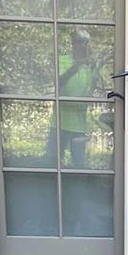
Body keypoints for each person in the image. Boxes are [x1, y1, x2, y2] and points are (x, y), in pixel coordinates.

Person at [53, 28, 101, 168]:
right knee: (52, 163)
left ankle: (79, 188)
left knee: (79, 164)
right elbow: (57, 84)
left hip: (79, 125)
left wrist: (94, 69)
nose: (82, 45)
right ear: (72, 44)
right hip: (59, 123)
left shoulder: (91, 66)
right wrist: (76, 66)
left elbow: (91, 92)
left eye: (85, 42)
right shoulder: (62, 61)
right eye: (79, 42)